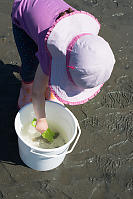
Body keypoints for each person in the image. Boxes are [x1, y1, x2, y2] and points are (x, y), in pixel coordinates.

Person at [11, 0, 115, 134]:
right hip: (23, 14)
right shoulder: (50, 52)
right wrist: (41, 119)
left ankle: (50, 87)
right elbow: (37, 93)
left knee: (44, 69)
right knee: (30, 63)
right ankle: (25, 87)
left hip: (49, 14)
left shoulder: (89, 45)